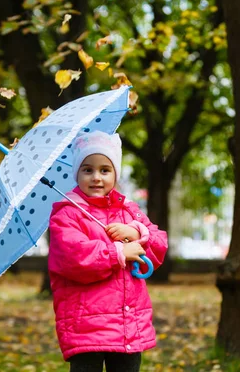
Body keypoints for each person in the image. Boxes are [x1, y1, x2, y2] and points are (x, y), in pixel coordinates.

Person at [48, 130, 168, 372]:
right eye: (87, 169)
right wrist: (119, 253)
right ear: (77, 173)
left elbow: (159, 244)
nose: (96, 177)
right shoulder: (67, 215)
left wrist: (137, 233)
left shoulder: (129, 211)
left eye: (105, 170)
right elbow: (75, 258)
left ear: (115, 173)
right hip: (86, 327)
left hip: (127, 325)